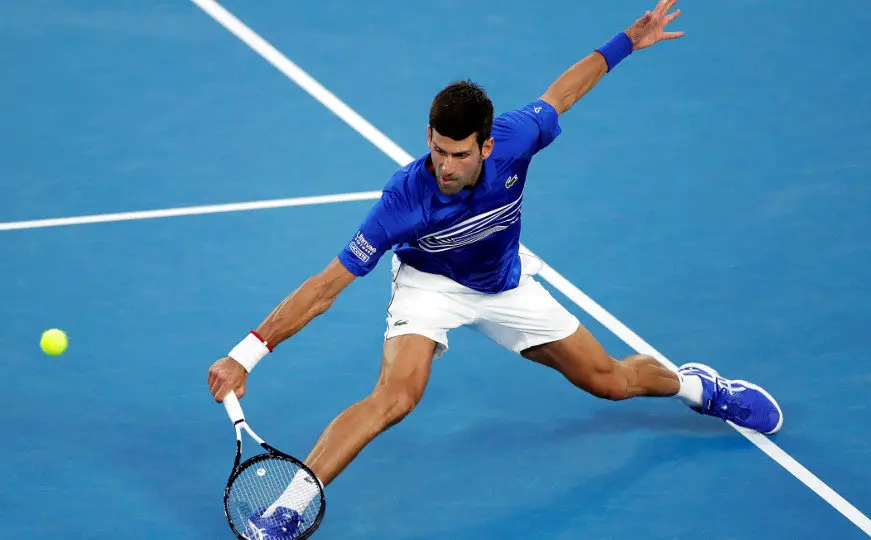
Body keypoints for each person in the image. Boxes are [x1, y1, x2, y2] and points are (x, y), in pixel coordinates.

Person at [208, 1, 782, 536]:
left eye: (459, 154)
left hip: (503, 283)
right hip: (431, 285)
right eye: (437, 150)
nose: (445, 166)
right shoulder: (403, 201)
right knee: (395, 398)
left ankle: (697, 387)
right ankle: (288, 507)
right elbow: (324, 287)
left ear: (486, 146)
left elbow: (563, 93)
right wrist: (246, 353)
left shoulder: (515, 138)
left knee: (609, 381)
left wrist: (627, 41)